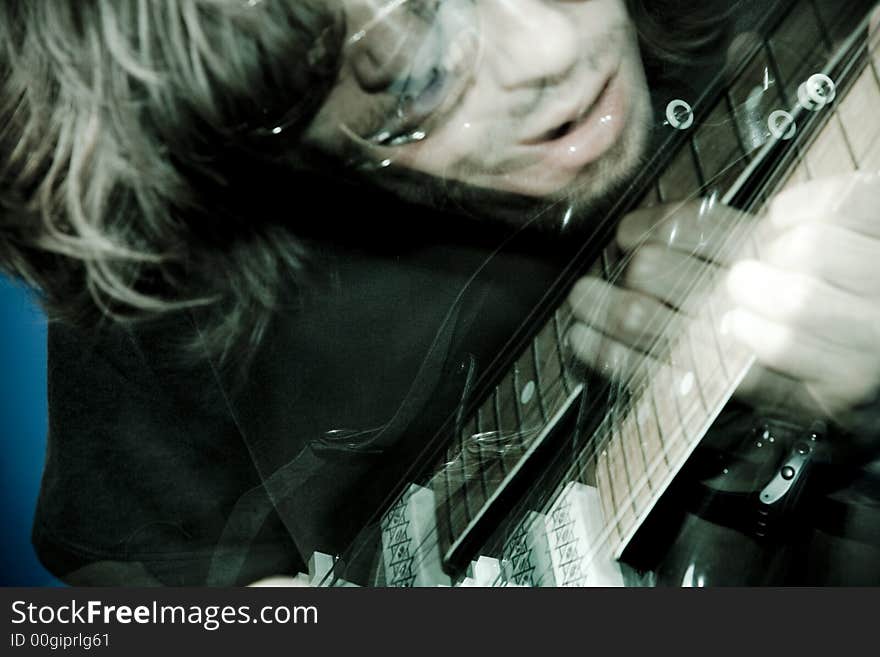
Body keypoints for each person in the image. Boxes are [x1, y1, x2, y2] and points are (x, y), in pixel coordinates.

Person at [0, 0, 877, 586]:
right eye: (420, 78)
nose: (555, 52)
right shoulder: (171, 252)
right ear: (255, 131)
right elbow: (108, 587)